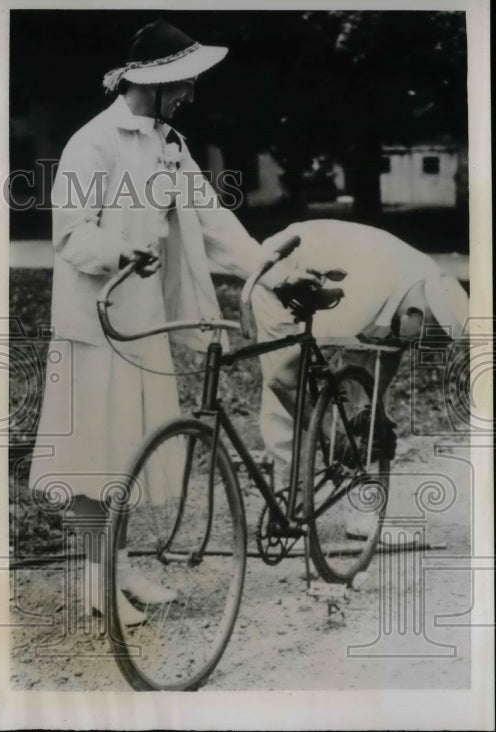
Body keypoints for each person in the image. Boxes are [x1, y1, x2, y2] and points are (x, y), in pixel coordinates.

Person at [30, 18, 292, 624]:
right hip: (95, 325)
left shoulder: (168, 144)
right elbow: (70, 234)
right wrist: (122, 251)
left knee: (129, 451)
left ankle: (118, 569)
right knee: (96, 456)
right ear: (159, 79)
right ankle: (97, 582)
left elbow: (212, 221)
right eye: (186, 83)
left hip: (145, 323)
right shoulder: (92, 142)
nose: (191, 95)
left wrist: (269, 267)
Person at [251, 219, 470, 538]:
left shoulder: (419, 293)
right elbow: (281, 380)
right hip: (285, 271)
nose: (414, 349)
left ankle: (367, 517)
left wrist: (367, 425)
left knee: (365, 417)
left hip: (347, 280)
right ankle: (288, 514)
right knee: (293, 402)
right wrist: (330, 436)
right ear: (414, 314)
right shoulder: (361, 300)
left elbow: (376, 384)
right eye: (419, 341)